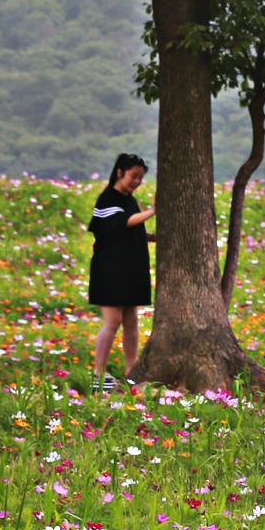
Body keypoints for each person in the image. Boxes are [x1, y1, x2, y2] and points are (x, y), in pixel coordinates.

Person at [87, 153, 156, 393]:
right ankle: (98, 372)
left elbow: (130, 229)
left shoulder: (130, 200)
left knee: (132, 320)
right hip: (110, 269)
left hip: (132, 268)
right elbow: (121, 224)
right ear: (120, 172)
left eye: (140, 178)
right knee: (113, 320)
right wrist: (154, 211)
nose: (136, 181)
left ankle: (131, 369)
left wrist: (150, 237)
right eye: (133, 176)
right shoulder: (108, 198)